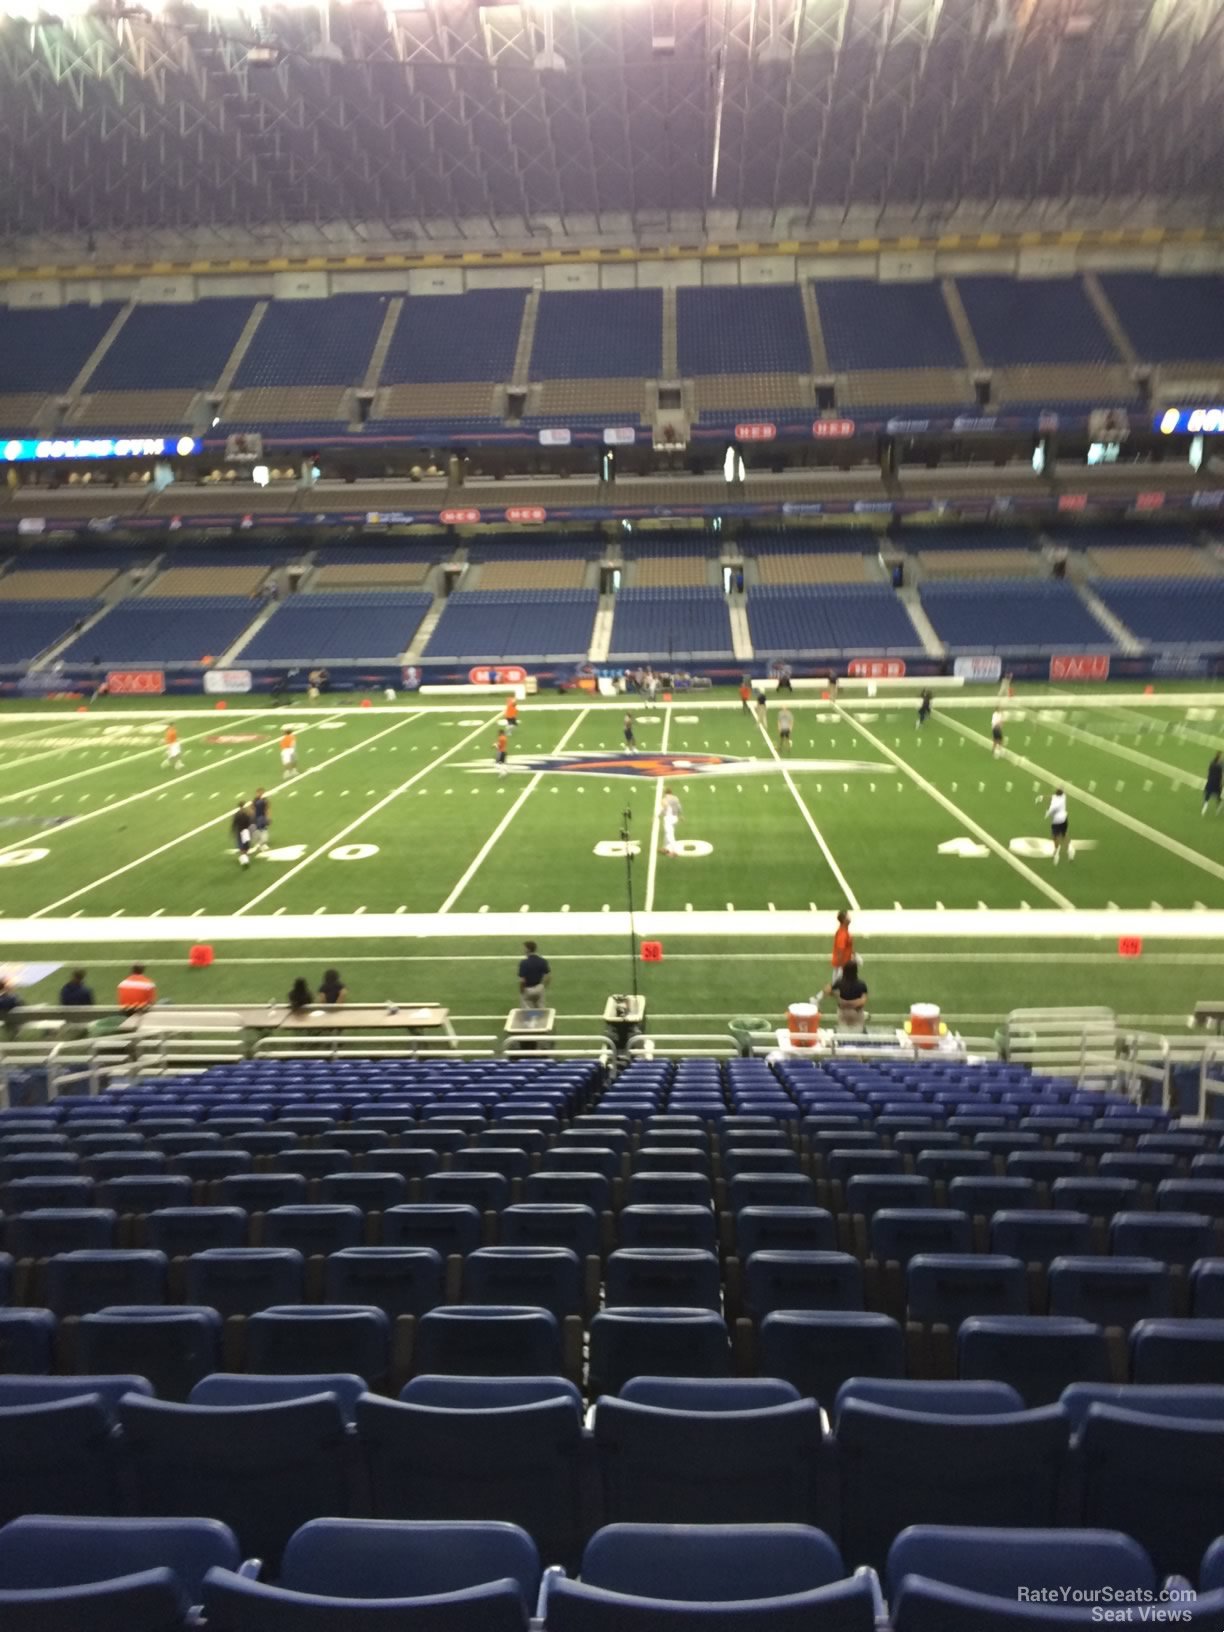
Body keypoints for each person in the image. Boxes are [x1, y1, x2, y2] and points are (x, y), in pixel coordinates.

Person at [822, 959, 869, 1030]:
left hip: (843, 1012)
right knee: (858, 1035)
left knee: (843, 1034)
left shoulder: (840, 982)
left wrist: (836, 996)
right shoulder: (861, 984)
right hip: (856, 1013)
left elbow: (826, 991)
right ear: (856, 971)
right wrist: (852, 1003)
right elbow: (863, 1001)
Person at [518, 941, 551, 1007]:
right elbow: (548, 976)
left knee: (527, 1013)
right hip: (539, 988)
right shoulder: (542, 961)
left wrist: (522, 991)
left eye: (525, 949)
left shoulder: (524, 963)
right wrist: (542, 987)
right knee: (541, 1012)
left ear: (528, 949)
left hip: (527, 989)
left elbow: (522, 980)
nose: (524, 950)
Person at [1045, 786, 1072, 864]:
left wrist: (1047, 813)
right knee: (1064, 835)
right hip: (1064, 820)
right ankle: (1069, 849)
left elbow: (1050, 812)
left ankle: (1056, 850)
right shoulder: (1063, 797)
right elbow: (1052, 796)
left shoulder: (1055, 803)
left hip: (1057, 821)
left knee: (1054, 836)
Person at [830, 908, 855, 989]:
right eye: (847, 916)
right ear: (844, 920)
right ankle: (817, 998)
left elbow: (848, 947)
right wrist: (841, 967)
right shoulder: (842, 934)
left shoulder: (845, 931)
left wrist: (854, 955)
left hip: (844, 964)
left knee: (839, 986)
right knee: (835, 986)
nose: (850, 917)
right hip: (841, 964)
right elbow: (840, 951)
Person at [232, 800, 253, 867]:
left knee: (241, 845)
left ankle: (243, 859)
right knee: (246, 845)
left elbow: (234, 823)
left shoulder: (237, 814)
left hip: (239, 831)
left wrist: (233, 830)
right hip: (245, 831)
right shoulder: (246, 813)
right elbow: (249, 822)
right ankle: (246, 859)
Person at [662, 790, 682, 856]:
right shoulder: (676, 798)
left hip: (668, 819)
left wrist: (656, 816)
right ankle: (665, 848)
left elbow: (663, 809)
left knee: (670, 835)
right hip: (674, 818)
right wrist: (680, 815)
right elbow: (679, 807)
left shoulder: (665, 799)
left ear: (666, 793)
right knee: (667, 833)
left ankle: (674, 851)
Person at [251, 788, 270, 853]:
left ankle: (263, 843)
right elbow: (252, 808)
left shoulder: (265, 800)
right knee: (258, 830)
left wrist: (268, 817)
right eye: (259, 793)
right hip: (257, 817)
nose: (260, 794)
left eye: (261, 793)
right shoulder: (255, 800)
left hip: (262, 817)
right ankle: (259, 843)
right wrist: (252, 817)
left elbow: (267, 809)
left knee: (264, 829)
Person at [1204, 751, 1222, 816]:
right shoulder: (1220, 766)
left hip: (1211, 781)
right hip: (1216, 782)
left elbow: (1209, 772)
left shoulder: (1212, 763)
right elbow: (1221, 775)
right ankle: (1218, 808)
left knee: (1207, 795)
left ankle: (1204, 809)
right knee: (1218, 796)